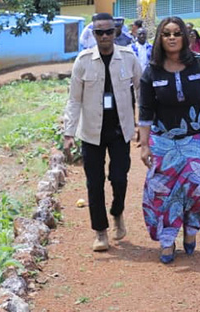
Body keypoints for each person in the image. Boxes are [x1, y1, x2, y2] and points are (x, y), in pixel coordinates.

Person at [137, 16, 200, 264]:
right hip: (164, 140)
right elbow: (145, 112)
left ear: (185, 37)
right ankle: (167, 240)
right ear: (160, 39)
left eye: (177, 33)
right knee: (163, 192)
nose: (172, 38)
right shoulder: (151, 72)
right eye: (166, 34)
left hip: (198, 138)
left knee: (198, 189)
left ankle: (191, 229)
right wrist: (145, 145)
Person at [63, 13, 143, 252]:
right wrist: (68, 133)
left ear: (116, 33)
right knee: (94, 183)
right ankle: (100, 231)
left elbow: (141, 91)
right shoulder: (83, 60)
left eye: (109, 31)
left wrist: (144, 125)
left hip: (120, 130)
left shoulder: (128, 58)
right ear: (93, 34)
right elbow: (74, 100)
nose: (105, 36)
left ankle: (117, 212)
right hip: (91, 132)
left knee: (119, 178)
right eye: (100, 32)